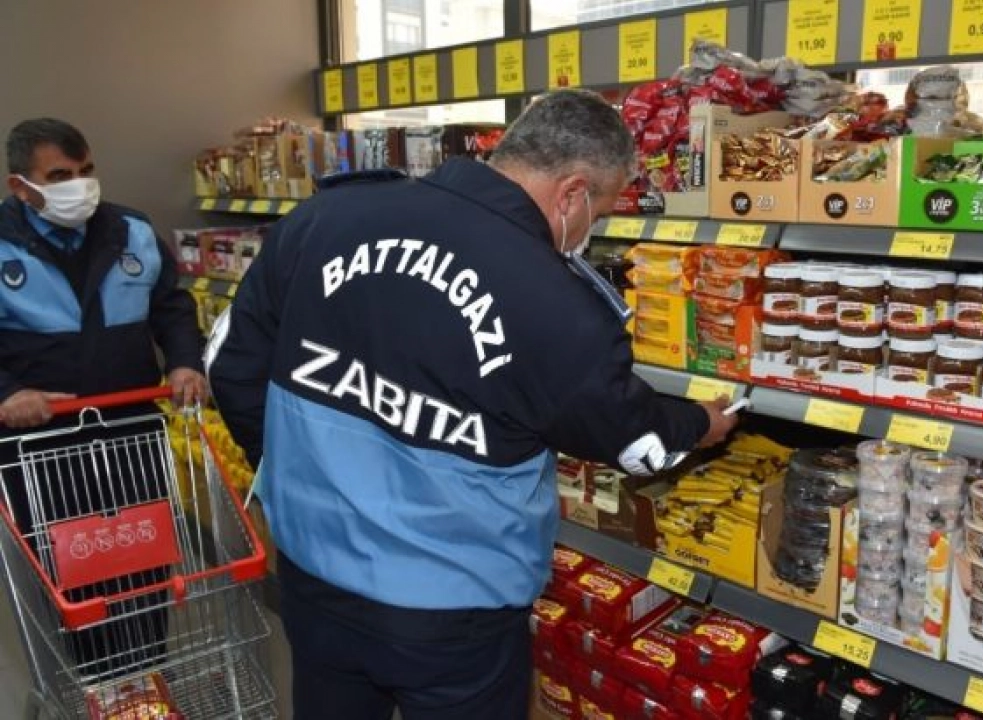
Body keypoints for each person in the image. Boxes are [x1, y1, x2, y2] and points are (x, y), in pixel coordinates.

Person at [206, 88, 738, 719]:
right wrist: (700, 422)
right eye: (599, 209)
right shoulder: (556, 305)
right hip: (454, 607)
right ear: (572, 194)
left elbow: (227, 363)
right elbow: (635, 440)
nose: (590, 227)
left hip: (313, 572)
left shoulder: (326, 218)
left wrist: (291, 475)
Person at [0, 118, 206, 679]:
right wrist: (8, 392)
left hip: (130, 431)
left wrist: (185, 361)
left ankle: (147, 674)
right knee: (74, 571)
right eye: (59, 176)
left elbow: (172, 307)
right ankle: (98, 684)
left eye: (86, 170)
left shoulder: (132, 230)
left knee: (144, 559)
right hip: (41, 444)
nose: (79, 185)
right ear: (20, 186)